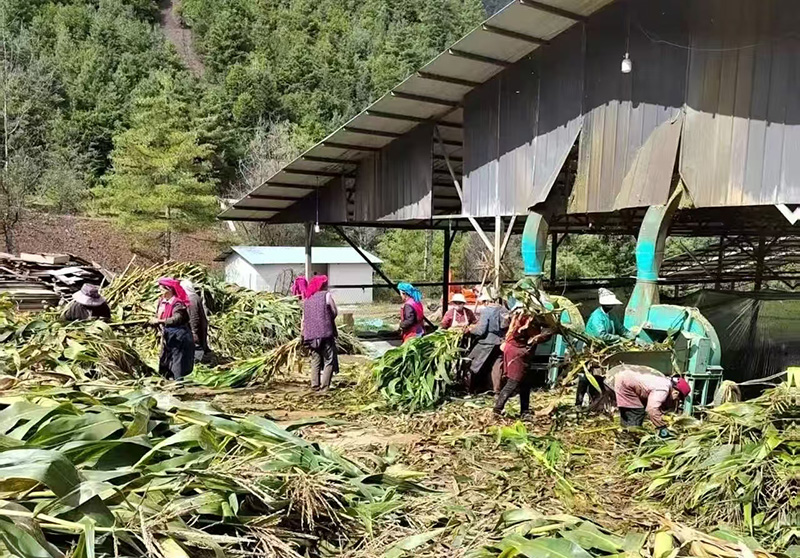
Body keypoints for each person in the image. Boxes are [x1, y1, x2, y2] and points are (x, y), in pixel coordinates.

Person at [494, 312, 553, 417]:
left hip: (519, 352)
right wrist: (550, 331)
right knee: (513, 382)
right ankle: (497, 409)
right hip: (517, 353)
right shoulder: (526, 321)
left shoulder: (521, 319)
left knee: (525, 383)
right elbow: (535, 338)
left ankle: (524, 411)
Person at [609, 366, 691, 437]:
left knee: (629, 414)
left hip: (622, 378)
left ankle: (624, 435)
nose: (675, 400)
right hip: (625, 385)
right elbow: (651, 409)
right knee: (637, 413)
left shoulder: (664, 381)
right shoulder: (663, 389)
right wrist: (661, 426)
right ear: (676, 392)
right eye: (678, 398)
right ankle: (630, 439)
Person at [152, 277, 194, 381]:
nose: (160, 292)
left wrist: (160, 321)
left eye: (162, 289)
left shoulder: (177, 303)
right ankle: (164, 379)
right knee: (165, 358)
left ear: (169, 289)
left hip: (178, 335)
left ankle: (178, 383)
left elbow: (177, 318)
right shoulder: (161, 301)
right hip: (167, 334)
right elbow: (158, 314)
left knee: (177, 359)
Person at [301, 275, 339, 391]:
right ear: (322, 285)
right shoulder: (326, 295)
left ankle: (315, 385)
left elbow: (304, 318)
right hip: (325, 332)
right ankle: (325, 386)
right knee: (329, 359)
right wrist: (328, 319)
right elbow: (334, 311)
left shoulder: (307, 298)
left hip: (310, 335)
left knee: (315, 359)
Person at [466, 290, 508, 392]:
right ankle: (496, 390)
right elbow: (505, 326)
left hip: (486, 343)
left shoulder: (487, 311)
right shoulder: (504, 310)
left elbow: (481, 330)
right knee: (496, 365)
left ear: (487, 301)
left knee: (471, 363)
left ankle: (470, 388)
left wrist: (470, 330)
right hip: (500, 342)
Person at [180, 279, 209, 362]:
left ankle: (198, 361)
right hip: (200, 326)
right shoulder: (195, 297)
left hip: (196, 328)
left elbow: (194, 317)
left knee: (196, 345)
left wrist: (193, 332)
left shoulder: (191, 299)